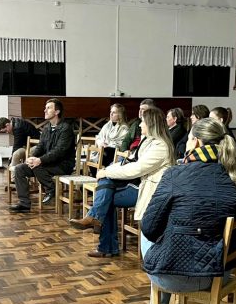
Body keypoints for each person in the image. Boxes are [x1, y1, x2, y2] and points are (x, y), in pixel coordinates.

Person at [136, 118, 236, 304]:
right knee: (172, 238)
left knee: (149, 232)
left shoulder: (175, 175)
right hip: (222, 273)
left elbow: (149, 227)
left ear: (195, 142)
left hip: (176, 276)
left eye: (187, 140)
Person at [69, 107, 174, 257]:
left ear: (151, 124)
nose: (139, 125)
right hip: (138, 183)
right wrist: (108, 170)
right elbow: (130, 160)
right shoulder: (148, 141)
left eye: (143, 122)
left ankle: (103, 240)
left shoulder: (160, 146)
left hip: (150, 190)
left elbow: (137, 169)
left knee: (106, 197)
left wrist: (107, 172)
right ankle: (96, 223)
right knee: (106, 193)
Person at [10, 98, 75, 213]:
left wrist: (39, 160)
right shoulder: (46, 128)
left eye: (48, 108)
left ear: (57, 112)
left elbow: (59, 151)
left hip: (62, 165)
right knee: (19, 169)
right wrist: (32, 157)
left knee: (37, 165)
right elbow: (40, 147)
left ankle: (51, 189)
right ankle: (24, 203)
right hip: (47, 164)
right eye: (45, 108)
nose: (45, 110)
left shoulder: (66, 129)